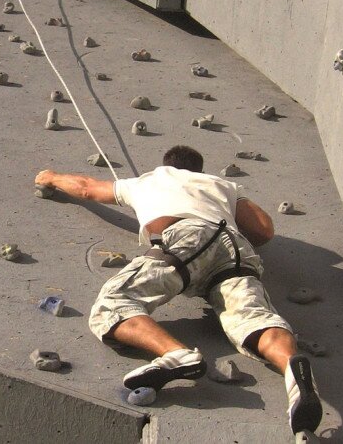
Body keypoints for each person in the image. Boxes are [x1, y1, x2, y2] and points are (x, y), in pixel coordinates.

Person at [34, 145, 322, 435]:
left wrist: (52, 177)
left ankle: (176, 354)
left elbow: (86, 188)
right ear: (199, 168)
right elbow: (263, 229)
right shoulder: (223, 184)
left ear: (166, 164)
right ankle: (292, 373)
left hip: (186, 237)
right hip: (235, 248)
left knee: (113, 303)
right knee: (254, 318)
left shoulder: (149, 180)